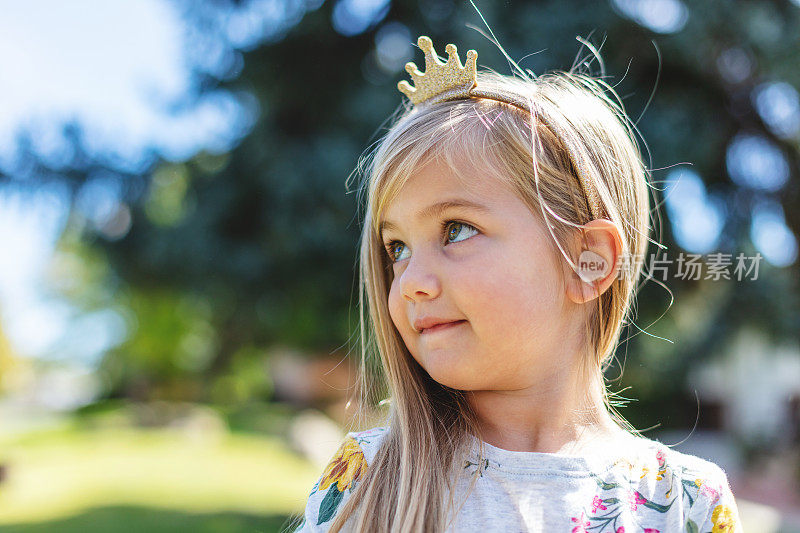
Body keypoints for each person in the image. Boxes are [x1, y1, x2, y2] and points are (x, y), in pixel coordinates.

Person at [290, 34, 743, 533]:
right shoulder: (370, 480)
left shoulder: (686, 501)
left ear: (586, 261)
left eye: (456, 230)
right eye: (396, 249)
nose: (411, 283)